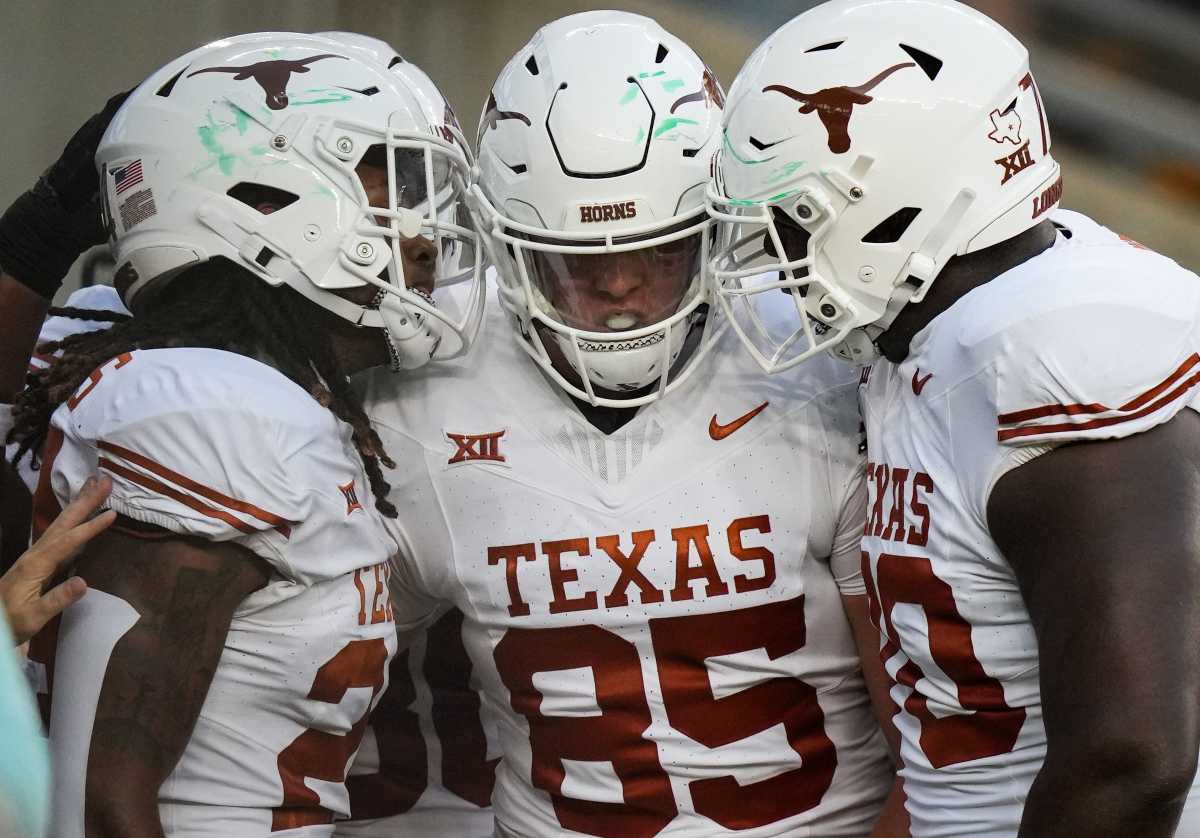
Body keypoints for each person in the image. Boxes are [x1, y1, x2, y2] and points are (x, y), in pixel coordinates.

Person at [363, 11, 904, 836]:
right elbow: (303, 690)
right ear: (508, 246)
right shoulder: (421, 391)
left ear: (717, 229)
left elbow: (923, 730)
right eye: (578, 261)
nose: (618, 287)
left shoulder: (817, 362)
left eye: (656, 251)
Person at [708, 1, 1200, 835]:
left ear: (895, 202)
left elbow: (1132, 757)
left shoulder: (1051, 352)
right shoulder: (932, 325)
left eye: (794, 222)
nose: (778, 258)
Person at [4, 31, 483, 837]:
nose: (425, 232)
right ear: (263, 196)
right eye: (387, 181)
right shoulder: (223, 409)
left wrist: (32, 240)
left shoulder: (167, 370)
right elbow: (106, 810)